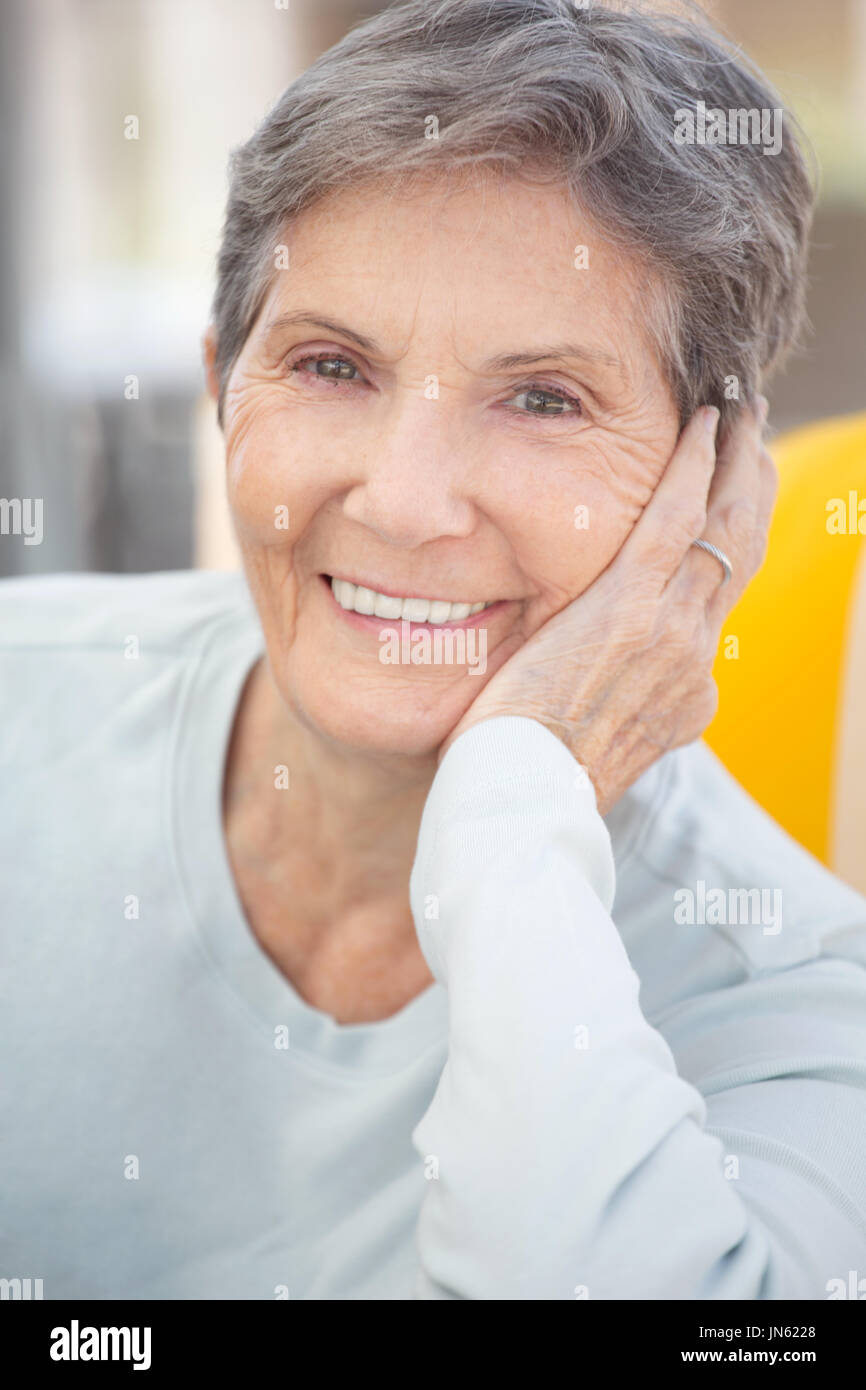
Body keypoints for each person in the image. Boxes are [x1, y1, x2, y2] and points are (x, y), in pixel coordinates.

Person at [2, 0, 865, 1300]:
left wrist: (510, 818)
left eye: (540, 398)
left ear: (718, 486)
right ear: (219, 382)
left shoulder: (794, 1008)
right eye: (332, 364)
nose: (405, 502)